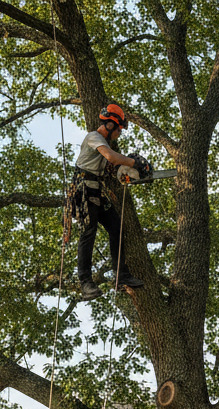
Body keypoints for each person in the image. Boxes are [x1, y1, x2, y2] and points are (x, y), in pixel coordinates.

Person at [65, 103, 148, 301]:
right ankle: (85, 282)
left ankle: (121, 275)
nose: (119, 133)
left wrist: (128, 172)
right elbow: (112, 157)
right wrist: (134, 162)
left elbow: (111, 167)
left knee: (116, 227)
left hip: (97, 191)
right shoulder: (94, 137)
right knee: (88, 232)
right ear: (110, 125)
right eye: (119, 129)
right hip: (84, 190)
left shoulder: (104, 145)